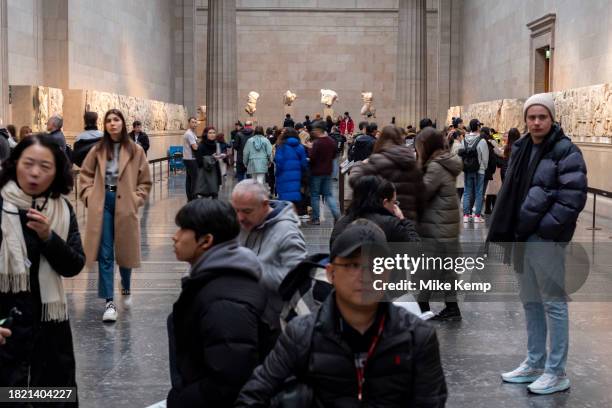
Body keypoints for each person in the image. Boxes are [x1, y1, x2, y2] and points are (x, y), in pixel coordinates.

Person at [236, 220, 448, 407]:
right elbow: (253, 396)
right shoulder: (301, 335)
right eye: (353, 265)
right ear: (330, 273)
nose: (364, 275)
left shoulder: (418, 337)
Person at [488, 93, 587, 395]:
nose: (536, 122)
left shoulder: (565, 150)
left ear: (552, 118)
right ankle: (534, 362)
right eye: (531, 116)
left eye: (542, 116)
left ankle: (556, 372)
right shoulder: (520, 148)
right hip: (520, 234)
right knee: (530, 301)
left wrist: (544, 231)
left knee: (553, 303)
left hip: (543, 238)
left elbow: (572, 197)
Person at [0, 134, 85, 399]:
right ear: (14, 164)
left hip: (49, 328)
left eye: (45, 167)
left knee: (51, 397)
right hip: (5, 327)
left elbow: (73, 265)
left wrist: (49, 237)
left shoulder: (61, 209)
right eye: (28, 164)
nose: (35, 173)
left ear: (57, 171)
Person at [167, 199, 265, 407]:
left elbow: (228, 383)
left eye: (183, 229)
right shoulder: (212, 280)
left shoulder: (224, 301)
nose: (174, 237)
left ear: (206, 240)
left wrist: (179, 400)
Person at [79, 109, 152, 322]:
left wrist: (136, 199)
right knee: (105, 253)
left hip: (126, 203)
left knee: (125, 250)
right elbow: (85, 176)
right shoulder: (98, 150)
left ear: (123, 123)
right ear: (105, 125)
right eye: (109, 120)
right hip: (103, 203)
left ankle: (126, 284)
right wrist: (90, 198)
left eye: (116, 120)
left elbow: (145, 181)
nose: (112, 124)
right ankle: (109, 302)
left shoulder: (136, 150)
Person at [231, 180, 307, 352]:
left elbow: (296, 278)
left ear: (264, 205)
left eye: (247, 211)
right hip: (244, 315)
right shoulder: (242, 223)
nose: (240, 217)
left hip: (271, 324)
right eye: (236, 210)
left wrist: (251, 268)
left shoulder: (287, 232)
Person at [414, 127, 463, 320]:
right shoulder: (444, 162)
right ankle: (449, 308)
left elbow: (422, 193)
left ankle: (424, 308)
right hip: (444, 225)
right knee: (442, 270)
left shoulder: (435, 166)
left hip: (437, 226)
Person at [350, 125, 425, 221]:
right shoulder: (412, 163)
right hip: (406, 222)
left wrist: (359, 164)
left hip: (381, 222)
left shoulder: (375, 161)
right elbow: (421, 197)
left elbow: (355, 182)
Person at [330, 175, 419, 245]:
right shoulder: (391, 224)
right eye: (394, 202)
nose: (395, 207)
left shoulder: (342, 223)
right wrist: (403, 220)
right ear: (384, 201)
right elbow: (414, 247)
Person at [306, 120, 341, 225]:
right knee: (328, 195)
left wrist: (309, 149)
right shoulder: (331, 141)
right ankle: (337, 216)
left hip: (316, 172)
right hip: (328, 171)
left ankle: (316, 219)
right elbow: (334, 155)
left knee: (315, 195)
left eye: (315, 129)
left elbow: (312, 158)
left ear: (319, 130)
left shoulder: (317, 143)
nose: (313, 131)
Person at [458, 118, 488, 223]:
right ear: (478, 127)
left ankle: (466, 215)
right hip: (479, 170)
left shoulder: (464, 139)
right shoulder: (482, 140)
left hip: (467, 169)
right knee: (479, 192)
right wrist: (484, 167)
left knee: (467, 191)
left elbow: (461, 153)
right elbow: (485, 158)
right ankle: (477, 216)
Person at [274, 128, 308, 214]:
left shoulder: (280, 146)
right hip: (296, 177)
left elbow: (279, 163)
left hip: (283, 176)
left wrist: (277, 174)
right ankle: (294, 217)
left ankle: (285, 217)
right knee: (294, 197)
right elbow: (304, 164)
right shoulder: (300, 147)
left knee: (284, 199)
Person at [195, 126, 223, 199]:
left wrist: (219, 156)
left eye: (214, 133)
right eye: (210, 133)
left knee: (215, 194)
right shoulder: (201, 145)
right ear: (206, 134)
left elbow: (216, 159)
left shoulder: (216, 144)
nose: (212, 134)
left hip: (215, 171)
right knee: (205, 196)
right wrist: (212, 158)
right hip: (205, 173)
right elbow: (199, 162)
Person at [182, 117, 199, 201]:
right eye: (193, 122)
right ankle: (193, 196)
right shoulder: (189, 134)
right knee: (194, 179)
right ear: (189, 123)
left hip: (189, 158)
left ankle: (190, 196)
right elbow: (195, 147)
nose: (194, 124)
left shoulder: (192, 133)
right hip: (190, 159)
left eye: (195, 122)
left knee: (189, 178)